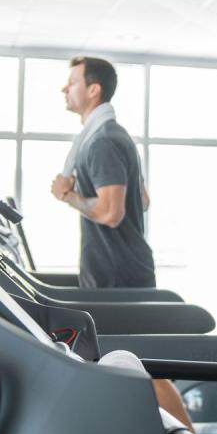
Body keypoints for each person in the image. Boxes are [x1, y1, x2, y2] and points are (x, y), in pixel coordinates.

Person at [50, 56, 155, 289]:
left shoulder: (103, 141)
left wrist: (68, 196)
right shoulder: (111, 134)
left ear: (93, 90)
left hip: (116, 277)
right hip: (120, 271)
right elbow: (143, 201)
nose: (64, 88)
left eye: (73, 82)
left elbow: (110, 213)